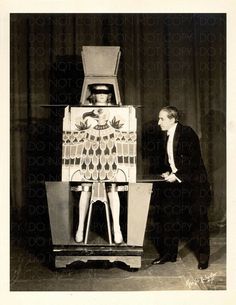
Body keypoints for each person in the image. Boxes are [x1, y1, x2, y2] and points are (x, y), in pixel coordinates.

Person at [152, 106, 211, 270]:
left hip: (194, 184)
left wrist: (176, 175)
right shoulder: (167, 135)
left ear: (172, 119)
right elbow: (174, 160)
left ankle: (203, 258)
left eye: (161, 119)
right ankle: (169, 254)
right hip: (178, 183)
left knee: (199, 221)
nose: (158, 123)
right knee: (169, 218)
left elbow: (193, 161)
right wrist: (168, 172)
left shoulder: (187, 133)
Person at [75, 84, 123, 244]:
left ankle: (117, 228)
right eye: (98, 92)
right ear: (93, 94)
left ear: (109, 94)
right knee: (85, 187)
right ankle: (80, 227)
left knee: (112, 187)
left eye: (105, 92)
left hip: (108, 154)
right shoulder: (86, 111)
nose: (102, 95)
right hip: (91, 153)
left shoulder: (116, 110)